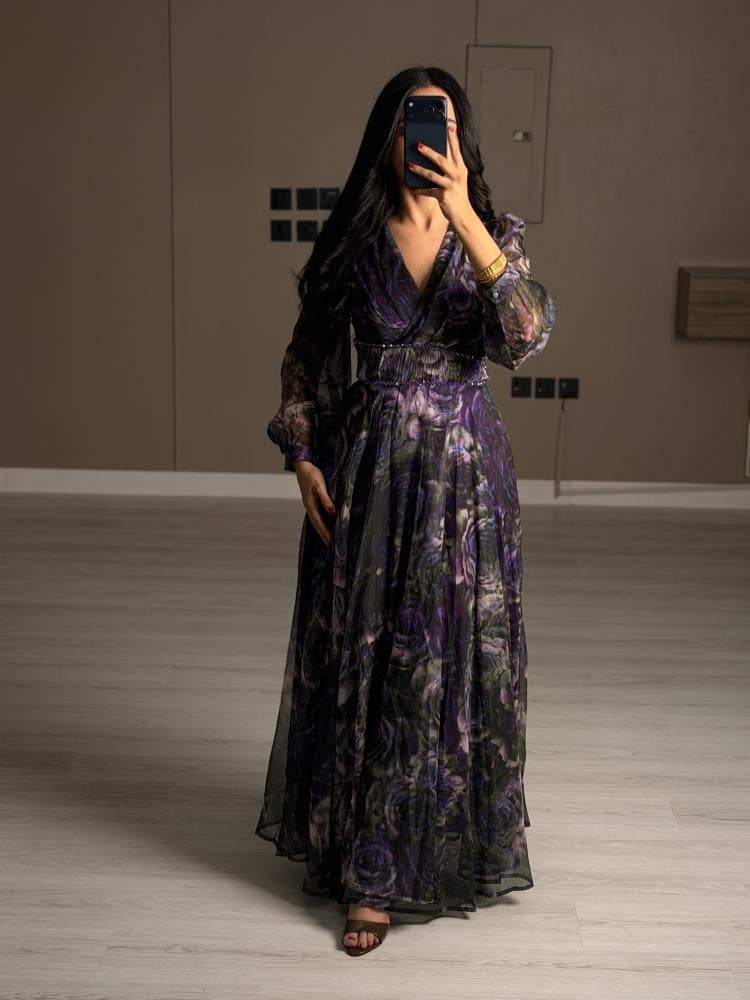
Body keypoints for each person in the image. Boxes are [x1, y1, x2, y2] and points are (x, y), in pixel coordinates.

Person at [255, 65, 558, 957]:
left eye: (444, 123)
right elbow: (308, 356)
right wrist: (303, 455)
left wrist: (463, 213)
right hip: (372, 475)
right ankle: (371, 872)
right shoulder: (354, 238)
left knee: (450, 659)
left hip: (466, 482)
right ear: (386, 138)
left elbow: (525, 338)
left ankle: (442, 839)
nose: (428, 138)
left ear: (461, 140)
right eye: (413, 123)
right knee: (377, 661)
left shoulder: (493, 235)